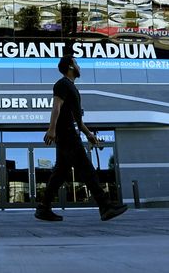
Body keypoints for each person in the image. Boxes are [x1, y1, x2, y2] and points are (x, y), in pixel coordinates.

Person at [37, 55, 128, 222]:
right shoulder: (62, 84)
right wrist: (51, 129)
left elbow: (78, 120)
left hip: (70, 132)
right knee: (87, 170)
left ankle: (43, 207)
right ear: (71, 66)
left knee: (60, 173)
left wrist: (89, 135)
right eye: (77, 63)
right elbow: (56, 107)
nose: (79, 66)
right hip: (67, 134)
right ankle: (105, 207)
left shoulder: (72, 88)